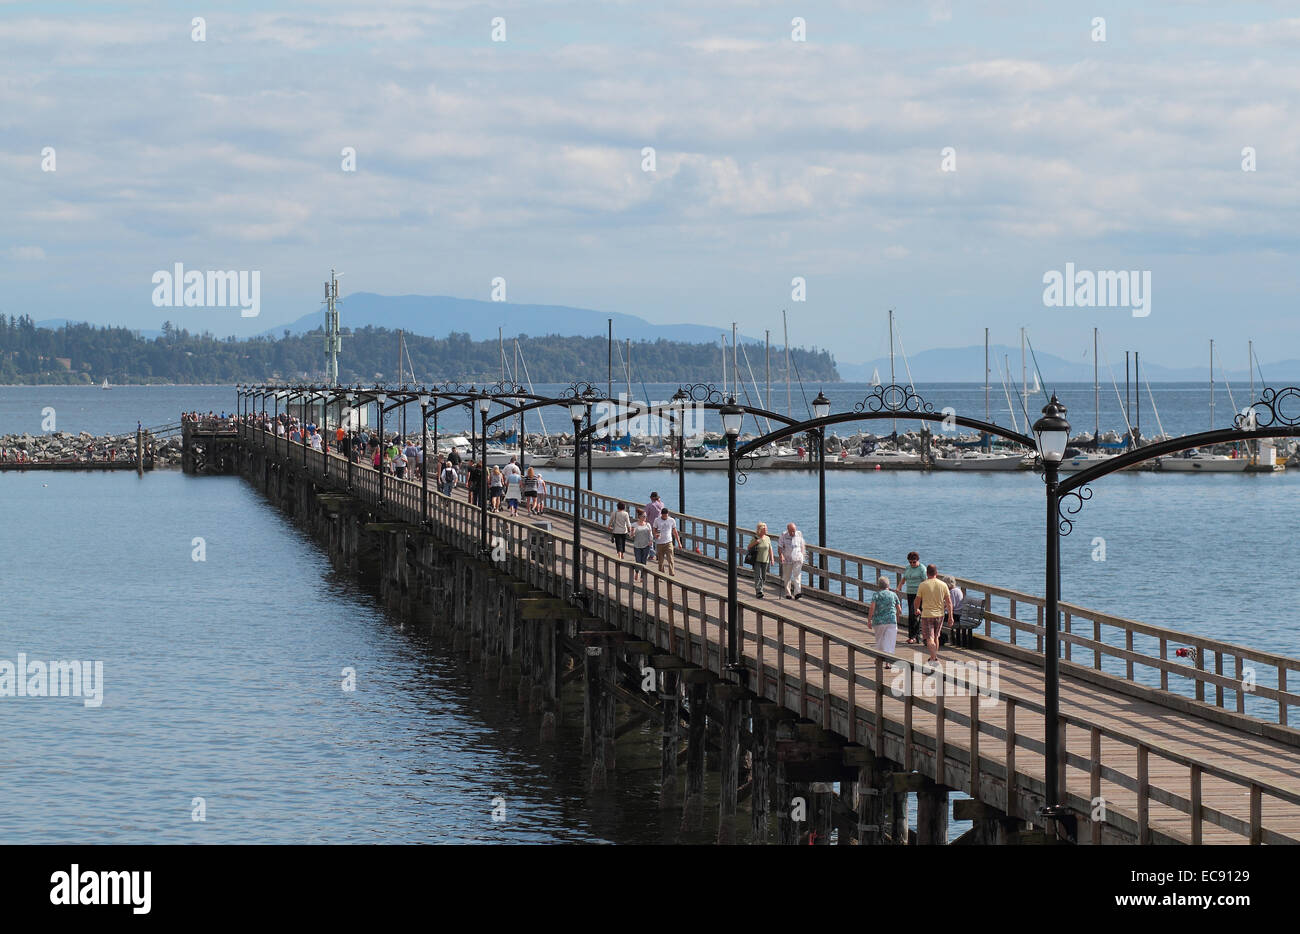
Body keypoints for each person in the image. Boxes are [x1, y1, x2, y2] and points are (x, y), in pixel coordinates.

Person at [916, 564, 954, 664]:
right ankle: (934, 657)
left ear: (926, 573)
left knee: (929, 638)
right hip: (940, 615)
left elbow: (917, 600)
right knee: (936, 637)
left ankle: (933, 658)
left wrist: (916, 608)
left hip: (927, 614)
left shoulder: (923, 585)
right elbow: (949, 602)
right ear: (936, 573)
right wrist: (950, 616)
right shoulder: (943, 585)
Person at [867, 576, 903, 665]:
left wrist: (869, 620)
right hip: (891, 620)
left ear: (879, 585)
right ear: (888, 585)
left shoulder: (876, 595)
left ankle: (879, 658)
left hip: (878, 621)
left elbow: (872, 607)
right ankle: (888, 662)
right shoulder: (893, 595)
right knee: (890, 641)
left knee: (880, 640)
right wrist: (897, 616)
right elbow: (900, 609)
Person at [897, 552, 927, 645]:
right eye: (910, 562)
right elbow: (904, 578)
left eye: (914, 562)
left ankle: (914, 637)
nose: (912, 564)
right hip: (910, 593)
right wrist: (899, 587)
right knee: (912, 615)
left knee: (915, 615)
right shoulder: (908, 568)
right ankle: (914, 636)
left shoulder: (922, 568)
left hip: (918, 594)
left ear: (918, 560)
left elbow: (926, 581)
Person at [777, 522, 806, 599]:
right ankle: (788, 593)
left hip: (797, 558)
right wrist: (781, 555)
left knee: (797, 575)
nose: (793, 533)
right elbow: (779, 547)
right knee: (787, 576)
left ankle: (797, 592)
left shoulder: (799, 534)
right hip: (787, 559)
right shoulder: (783, 535)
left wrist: (803, 556)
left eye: (794, 530)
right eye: (791, 531)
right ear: (788, 530)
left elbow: (802, 545)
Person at [652, 506, 682, 576]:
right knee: (660, 561)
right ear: (661, 514)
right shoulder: (657, 520)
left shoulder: (671, 520)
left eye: (666, 516)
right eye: (663, 516)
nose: (665, 517)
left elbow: (675, 532)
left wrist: (679, 543)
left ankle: (671, 573)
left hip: (668, 542)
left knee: (670, 559)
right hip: (660, 543)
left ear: (668, 514)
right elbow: (654, 530)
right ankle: (661, 574)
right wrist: (655, 534)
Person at [750, 522, 776, 598]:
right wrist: (756, 542)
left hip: (765, 560)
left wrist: (772, 559)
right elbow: (749, 547)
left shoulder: (767, 538)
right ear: (760, 530)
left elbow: (770, 549)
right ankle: (759, 591)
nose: (767, 530)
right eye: (765, 529)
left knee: (763, 577)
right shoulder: (755, 538)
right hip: (757, 560)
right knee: (758, 576)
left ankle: (761, 588)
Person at [631, 509, 653, 584]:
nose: (645, 517)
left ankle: (642, 577)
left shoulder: (648, 525)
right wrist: (632, 532)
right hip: (637, 545)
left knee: (644, 561)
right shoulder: (634, 525)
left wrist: (651, 541)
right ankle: (637, 572)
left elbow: (650, 534)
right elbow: (631, 536)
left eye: (646, 516)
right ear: (639, 517)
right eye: (644, 516)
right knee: (638, 560)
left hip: (646, 545)